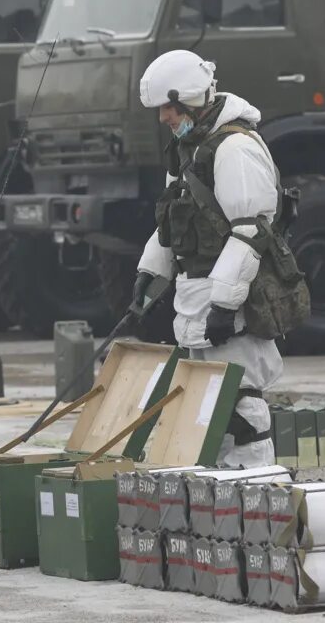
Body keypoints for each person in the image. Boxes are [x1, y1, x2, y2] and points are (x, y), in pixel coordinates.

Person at [132, 50, 287, 468]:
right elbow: (172, 222)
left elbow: (251, 230)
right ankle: (216, 504)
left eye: (169, 106)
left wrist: (224, 303)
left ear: (192, 99)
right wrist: (150, 274)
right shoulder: (187, 152)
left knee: (240, 408)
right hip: (195, 300)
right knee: (203, 410)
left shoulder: (235, 148)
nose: (164, 116)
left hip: (232, 306)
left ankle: (257, 494)